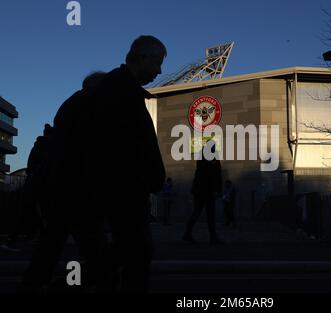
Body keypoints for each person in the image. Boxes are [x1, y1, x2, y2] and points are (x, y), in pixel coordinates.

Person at [84, 35, 166, 292]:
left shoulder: (121, 88)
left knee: (131, 251)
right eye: (158, 62)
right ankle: (68, 284)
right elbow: (123, 143)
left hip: (124, 187)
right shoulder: (120, 91)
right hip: (124, 188)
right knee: (137, 251)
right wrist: (146, 176)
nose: (160, 71)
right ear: (142, 58)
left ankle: (74, 282)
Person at [20, 72, 108, 293]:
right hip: (78, 192)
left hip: (60, 191)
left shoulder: (69, 106)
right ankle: (67, 285)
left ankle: (37, 285)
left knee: (48, 250)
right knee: (96, 253)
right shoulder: (90, 108)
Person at [183, 142, 224, 245]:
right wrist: (217, 190)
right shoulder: (207, 158)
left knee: (202, 213)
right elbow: (214, 174)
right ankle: (211, 237)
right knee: (205, 213)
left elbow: (216, 173)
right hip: (205, 190)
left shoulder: (206, 157)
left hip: (203, 190)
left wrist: (217, 189)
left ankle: (189, 234)